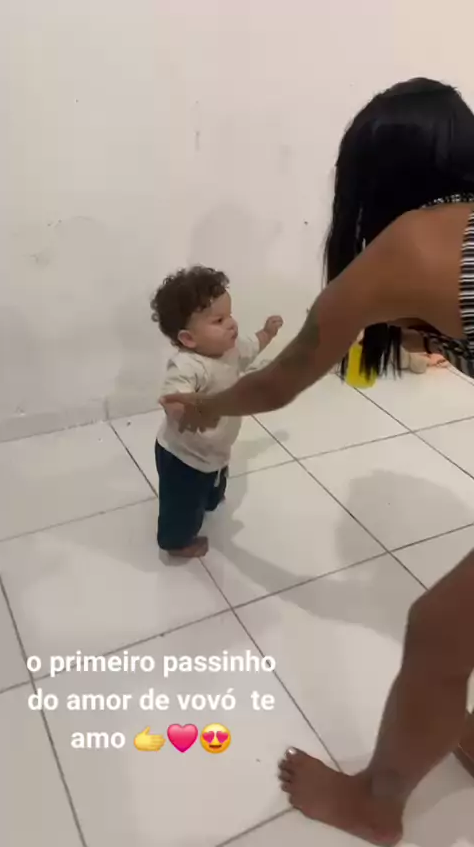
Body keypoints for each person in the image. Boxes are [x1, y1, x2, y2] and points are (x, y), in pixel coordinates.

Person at [160, 78, 474, 844]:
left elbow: (277, 382)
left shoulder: (407, 249)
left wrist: (209, 406)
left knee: (438, 631)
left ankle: (377, 803)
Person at [151, 265, 283, 557]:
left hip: (215, 448)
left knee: (215, 480)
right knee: (182, 505)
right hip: (184, 457)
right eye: (219, 320)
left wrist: (268, 332)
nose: (232, 324)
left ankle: (211, 498)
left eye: (230, 315)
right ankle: (177, 542)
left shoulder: (230, 349)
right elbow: (173, 397)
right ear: (188, 339)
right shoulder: (188, 365)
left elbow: (253, 345)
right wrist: (185, 410)